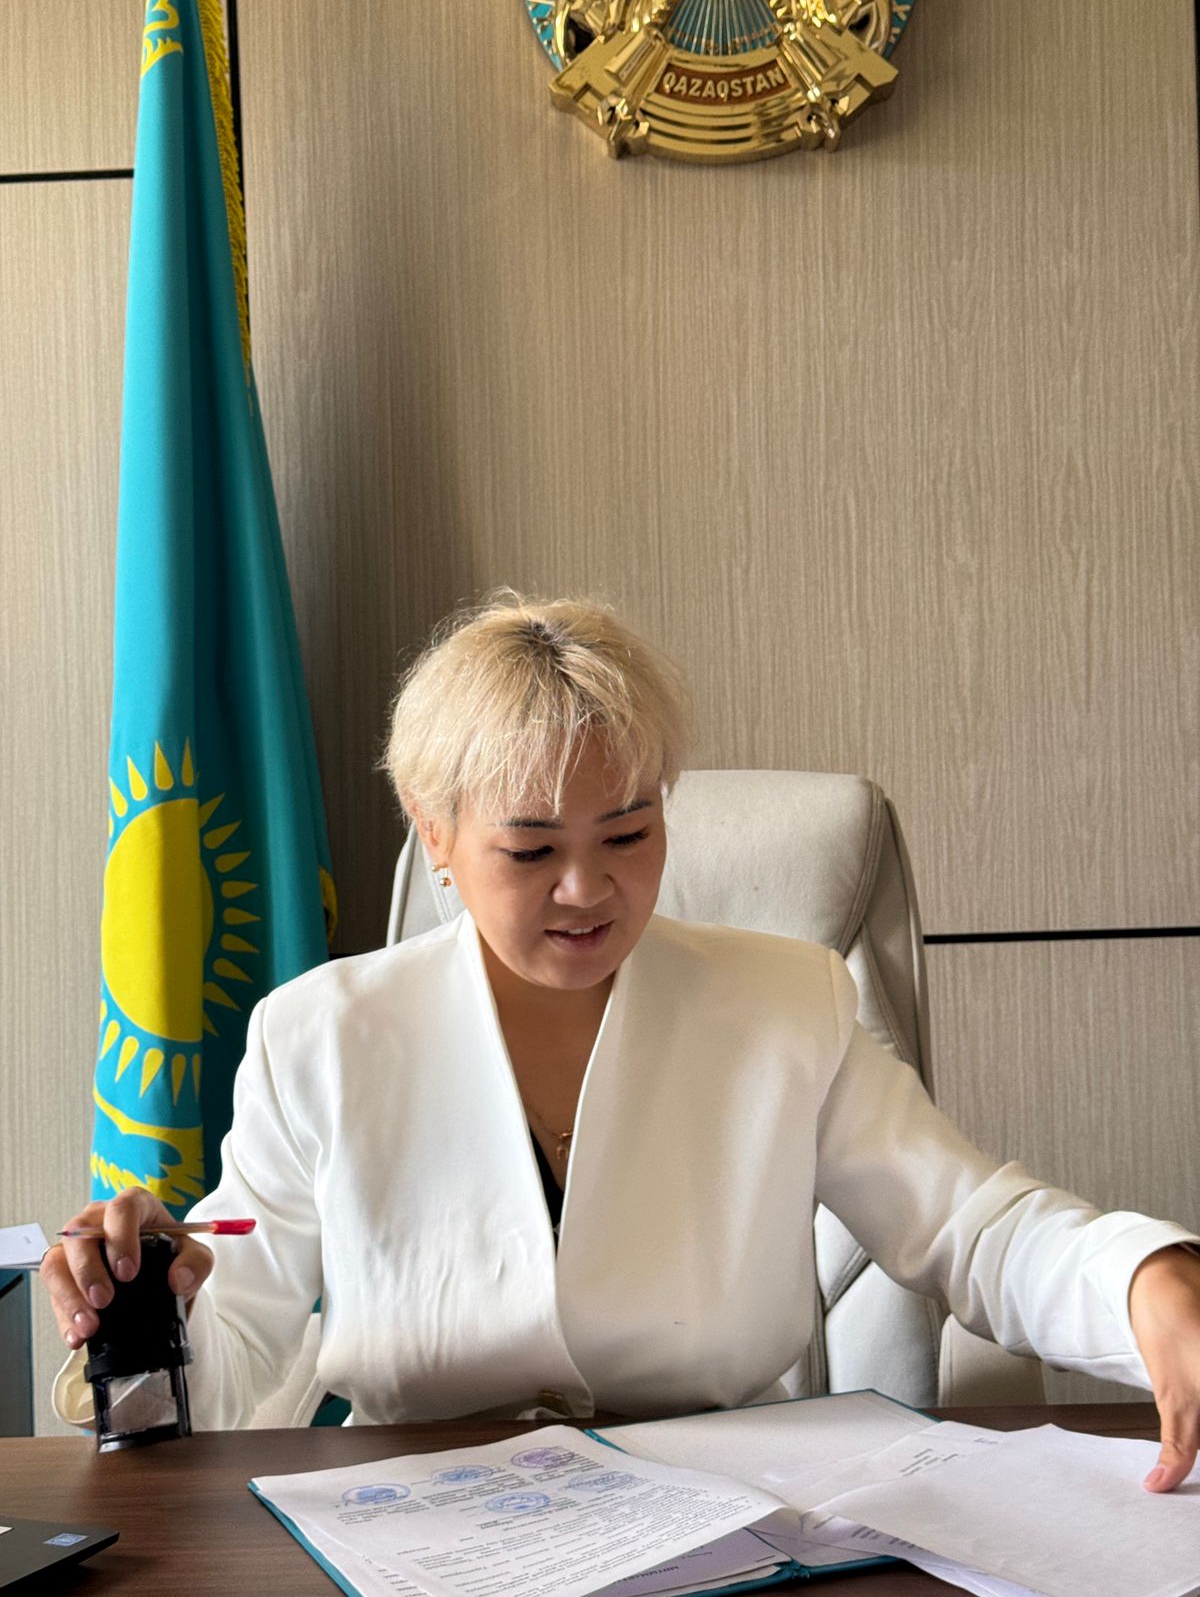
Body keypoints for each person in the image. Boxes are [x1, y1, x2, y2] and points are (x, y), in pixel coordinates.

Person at [42, 594, 1200, 1488]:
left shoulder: (784, 1006)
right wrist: (155, 1304)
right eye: (531, 849)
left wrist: (1147, 1277)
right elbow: (239, 1341)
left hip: (732, 1517)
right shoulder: (321, 1038)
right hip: (423, 1524)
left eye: (630, 832)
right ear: (434, 833)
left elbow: (972, 1227)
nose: (587, 888)